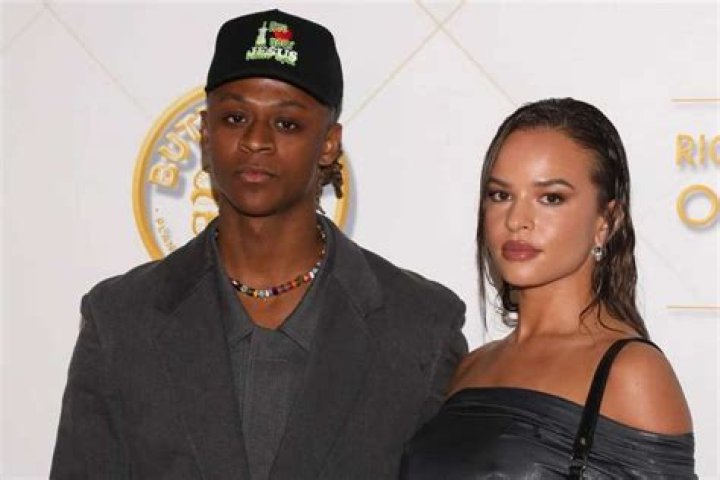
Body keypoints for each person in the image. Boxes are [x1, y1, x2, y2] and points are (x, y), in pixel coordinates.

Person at [50, 9, 467, 480]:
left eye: (286, 123)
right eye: (235, 117)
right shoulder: (120, 321)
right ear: (206, 133)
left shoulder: (419, 327)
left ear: (329, 144)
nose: (255, 141)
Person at [400, 98, 696, 478]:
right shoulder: (471, 367)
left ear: (606, 221)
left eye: (551, 198)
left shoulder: (631, 373)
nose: (517, 220)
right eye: (501, 195)